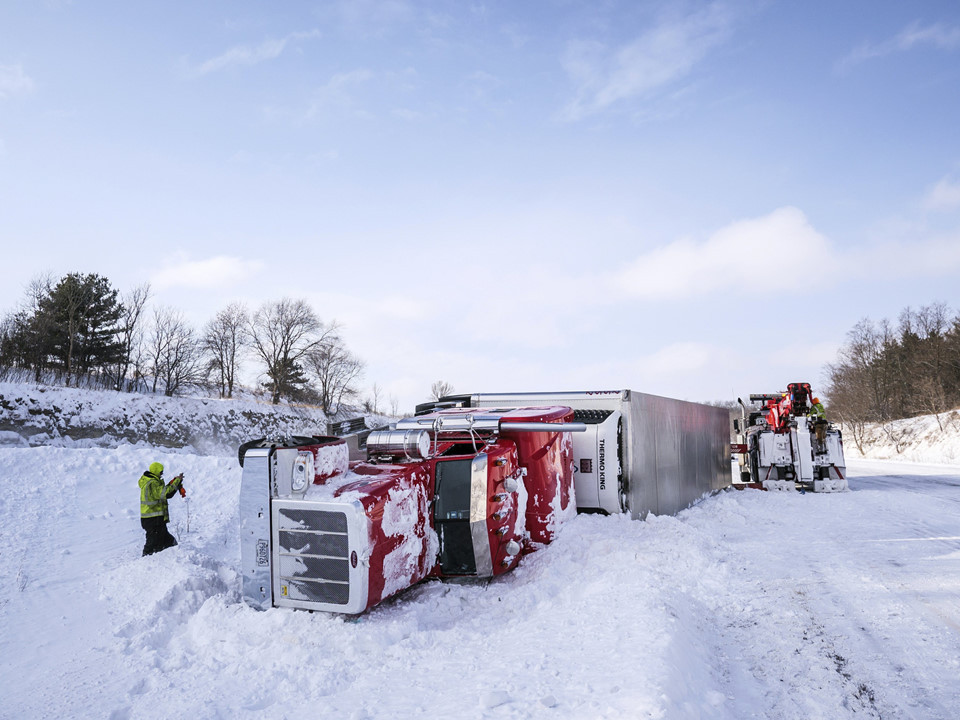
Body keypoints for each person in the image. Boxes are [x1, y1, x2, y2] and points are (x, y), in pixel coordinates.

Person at [139, 461, 185, 556]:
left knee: (168, 541)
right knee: (153, 542)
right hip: (153, 518)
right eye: (160, 471)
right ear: (155, 471)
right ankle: (146, 560)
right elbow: (166, 494)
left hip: (155, 518)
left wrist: (175, 481)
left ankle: (175, 556)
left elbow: (164, 492)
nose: (162, 473)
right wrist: (176, 482)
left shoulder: (152, 481)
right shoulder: (152, 483)